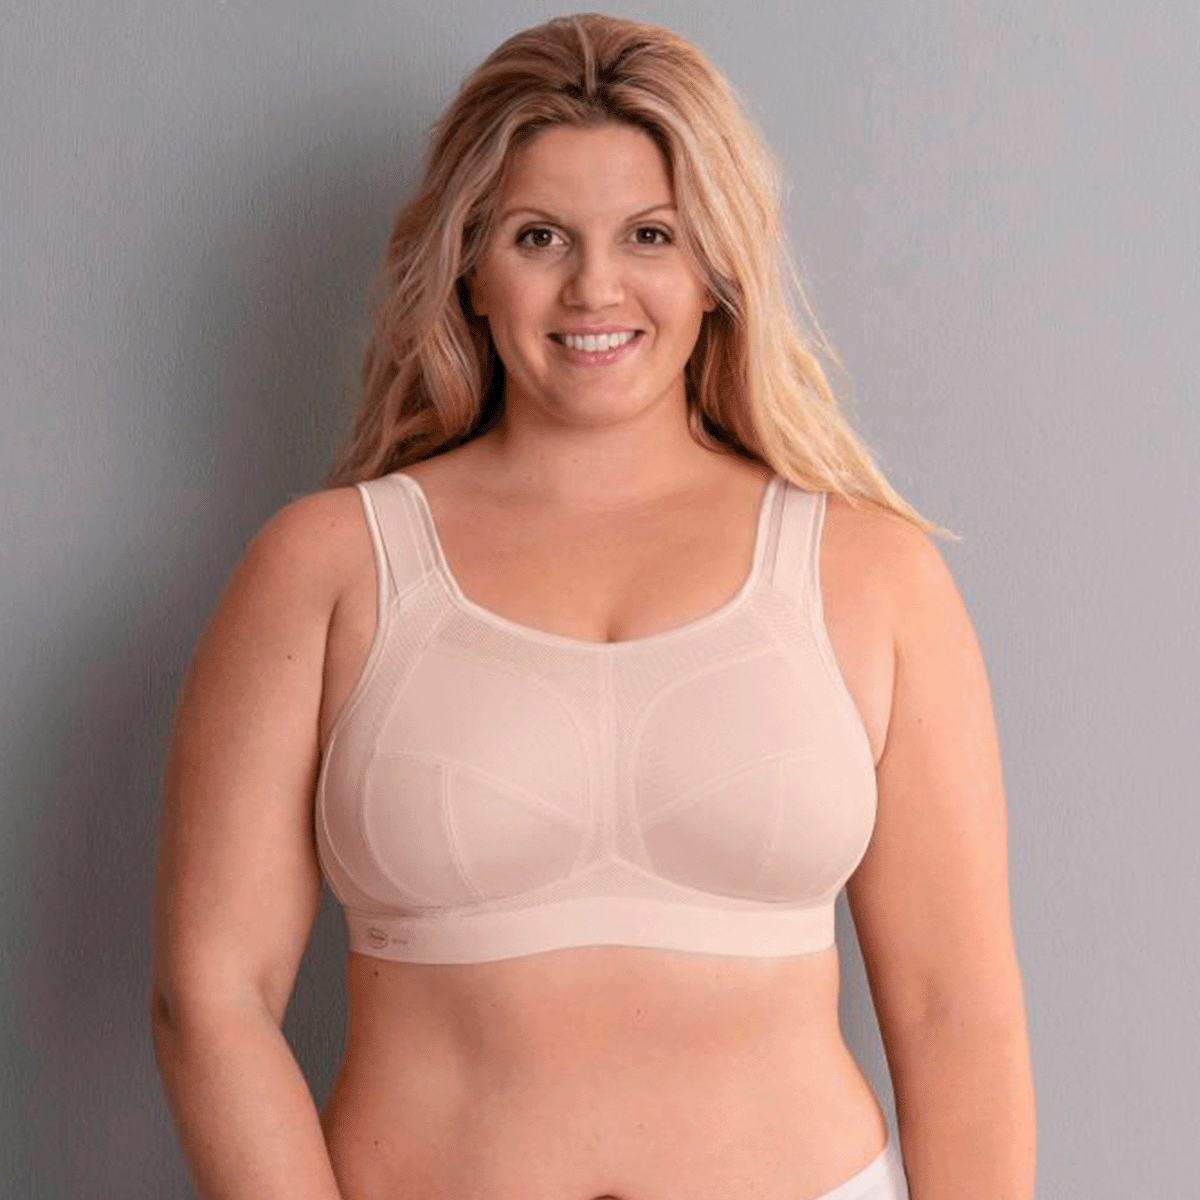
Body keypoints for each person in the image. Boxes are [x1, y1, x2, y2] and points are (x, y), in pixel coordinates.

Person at [150, 12, 1036, 1200]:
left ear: (716, 272)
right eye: (539, 236)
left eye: (650, 235)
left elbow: (955, 1010)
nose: (595, 286)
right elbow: (211, 995)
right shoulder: (325, 571)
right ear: (470, 267)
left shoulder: (873, 575)